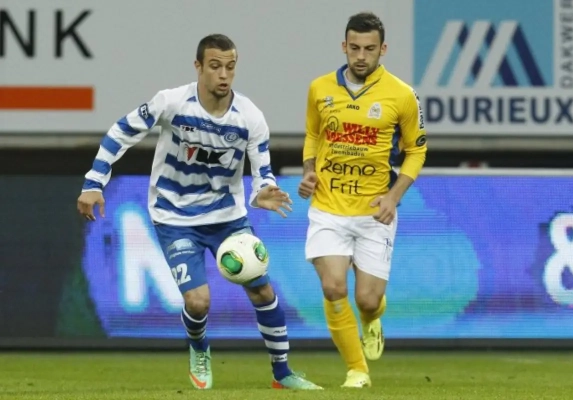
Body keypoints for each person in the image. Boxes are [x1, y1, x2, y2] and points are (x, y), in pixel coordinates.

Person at [77, 33, 322, 391]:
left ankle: (282, 372)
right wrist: (93, 182)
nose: (223, 74)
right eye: (215, 66)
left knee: (262, 291)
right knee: (198, 301)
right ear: (198, 66)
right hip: (174, 217)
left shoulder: (250, 117)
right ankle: (199, 347)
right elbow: (121, 131)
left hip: (227, 218)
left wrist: (263, 192)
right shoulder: (172, 102)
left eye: (230, 67)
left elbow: (263, 170)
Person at [298, 12, 428, 388]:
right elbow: (313, 135)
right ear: (344, 46)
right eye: (354, 47)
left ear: (382, 49)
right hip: (328, 208)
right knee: (333, 287)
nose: (360, 56)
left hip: (375, 212)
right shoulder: (319, 88)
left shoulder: (402, 95)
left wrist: (393, 197)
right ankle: (357, 370)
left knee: (367, 300)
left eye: (369, 49)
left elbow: (417, 150)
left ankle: (372, 318)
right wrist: (309, 171)